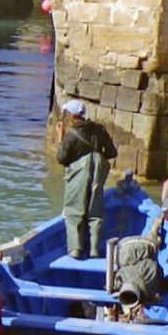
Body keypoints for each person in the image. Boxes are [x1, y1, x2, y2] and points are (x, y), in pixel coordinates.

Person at [55, 98, 118, 258]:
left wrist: (60, 137)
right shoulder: (100, 130)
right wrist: (95, 159)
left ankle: (75, 249)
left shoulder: (70, 136)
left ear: (72, 116)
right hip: (97, 174)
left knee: (74, 210)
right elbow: (112, 153)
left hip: (78, 176)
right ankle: (94, 249)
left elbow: (62, 158)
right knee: (95, 211)